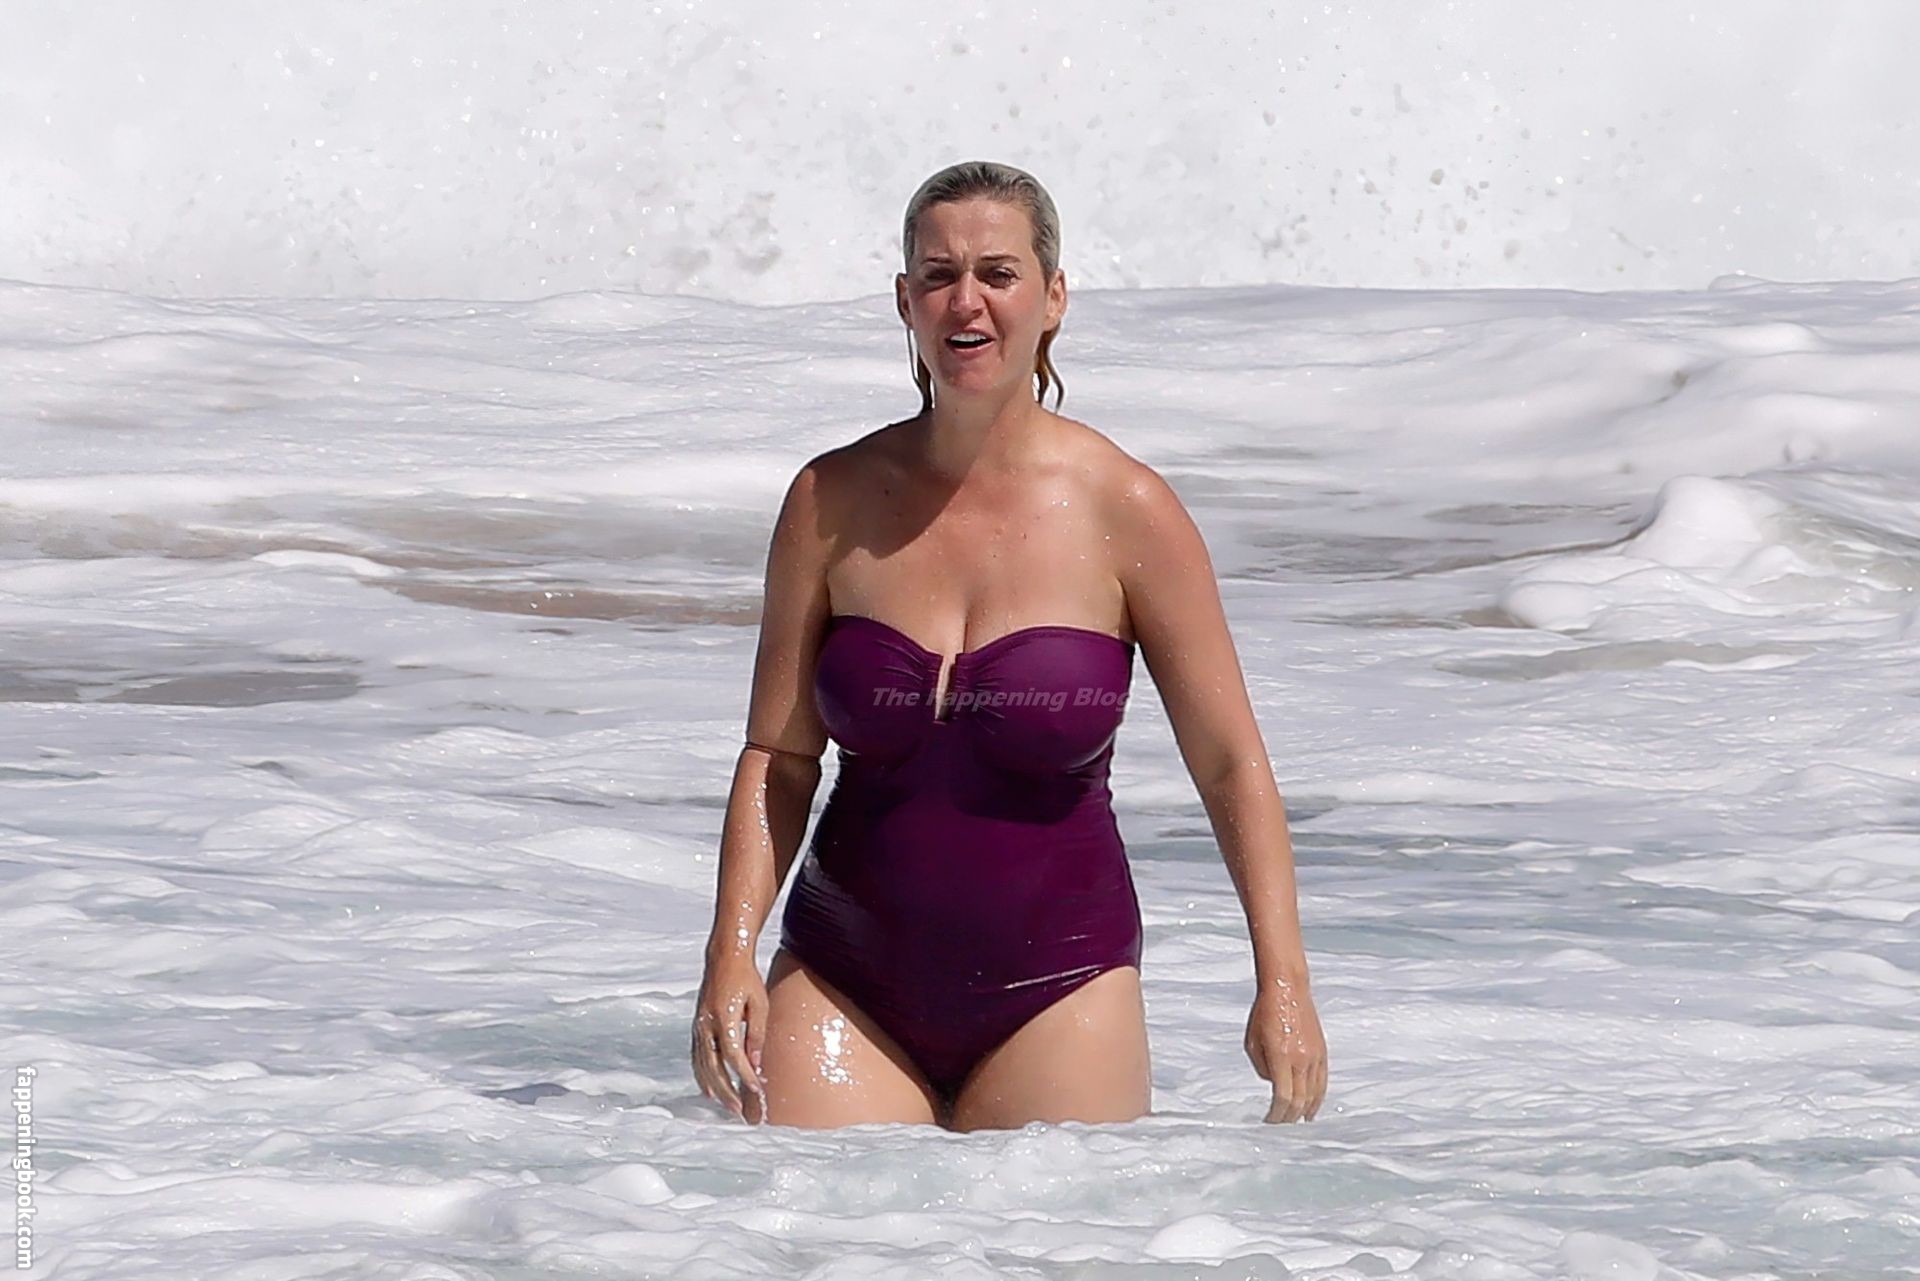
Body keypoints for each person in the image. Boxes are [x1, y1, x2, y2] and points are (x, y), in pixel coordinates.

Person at [690, 160, 1326, 1132]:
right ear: (904, 300)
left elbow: (1230, 763)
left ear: (1053, 297)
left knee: (1052, 1222)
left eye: (998, 273)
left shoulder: (1127, 510)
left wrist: (1283, 983)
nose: (967, 301)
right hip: (842, 978)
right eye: (939, 275)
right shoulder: (829, 502)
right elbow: (778, 757)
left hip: (1061, 987)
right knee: (802, 1215)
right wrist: (730, 953)